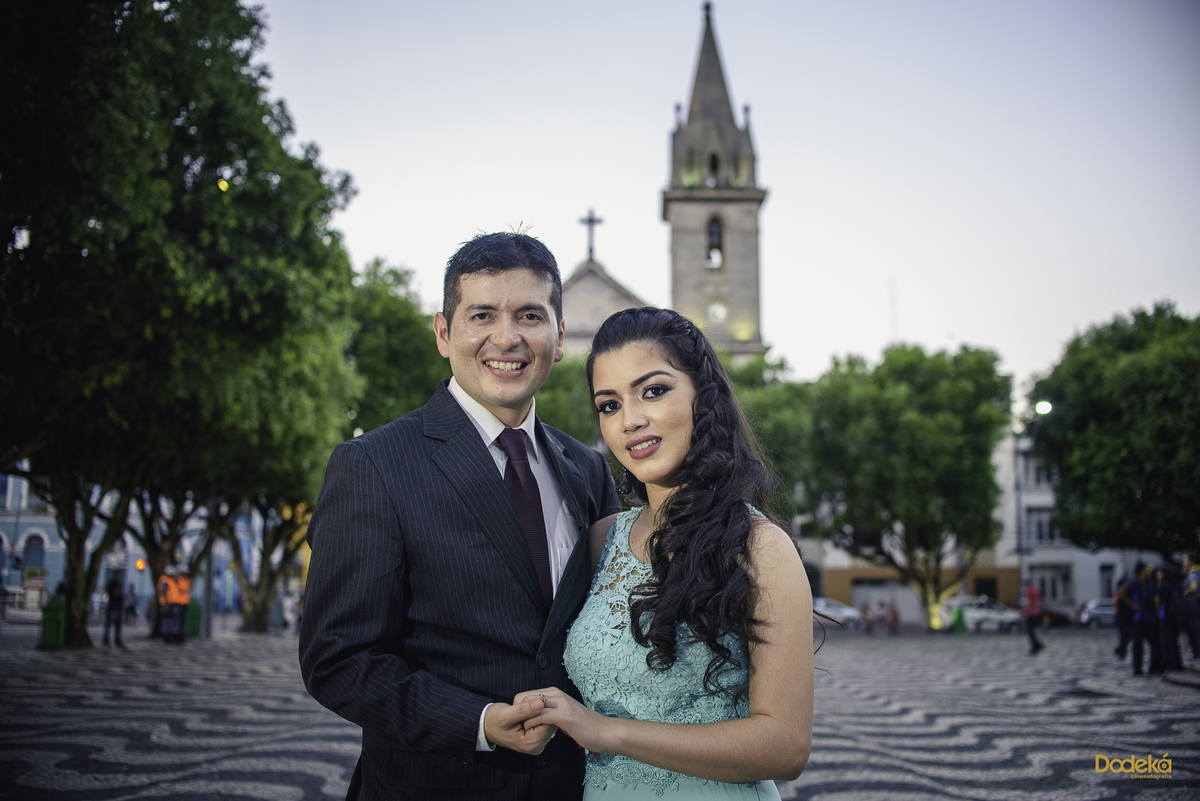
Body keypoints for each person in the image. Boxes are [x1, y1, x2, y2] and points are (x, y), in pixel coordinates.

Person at [300, 232, 621, 801]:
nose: (508, 337)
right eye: (482, 315)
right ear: (444, 334)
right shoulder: (372, 465)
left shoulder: (587, 470)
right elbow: (338, 659)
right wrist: (475, 722)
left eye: (530, 315)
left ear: (560, 336)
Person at [515, 307, 813, 798]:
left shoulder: (759, 547)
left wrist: (607, 732)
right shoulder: (601, 539)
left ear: (703, 395)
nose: (631, 420)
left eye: (653, 391)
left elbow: (786, 746)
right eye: (609, 405)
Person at [1182, 552, 1200, 660]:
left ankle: (1197, 654)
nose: (1184, 563)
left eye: (1185, 560)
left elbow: (1193, 588)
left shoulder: (1193, 574)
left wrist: (1185, 593)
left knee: (1195, 629)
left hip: (1193, 603)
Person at [1113, 576, 1135, 659]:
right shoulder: (1120, 593)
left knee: (1126, 636)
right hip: (1121, 618)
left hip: (1124, 617)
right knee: (1125, 635)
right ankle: (1120, 651)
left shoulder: (1123, 593)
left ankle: (1121, 652)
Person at [102, 574, 125, 648]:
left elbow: (122, 596)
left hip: (119, 607)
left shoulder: (121, 585)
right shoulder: (112, 585)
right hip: (112, 607)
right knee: (108, 625)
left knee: (118, 626)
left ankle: (118, 640)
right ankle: (106, 640)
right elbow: (114, 593)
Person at [1021, 581, 1043, 655]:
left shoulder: (1030, 592)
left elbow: (1028, 603)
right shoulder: (1036, 591)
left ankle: (1035, 647)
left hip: (1031, 613)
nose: (1025, 588)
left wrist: (1022, 611)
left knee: (1030, 631)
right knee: (1032, 631)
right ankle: (1037, 645)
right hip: (1036, 613)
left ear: (1027, 585)